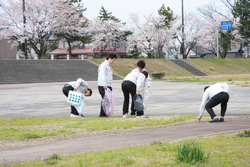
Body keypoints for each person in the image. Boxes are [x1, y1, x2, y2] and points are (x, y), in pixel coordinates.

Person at [98, 52, 117, 117]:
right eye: (113, 60)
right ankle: (102, 114)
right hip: (103, 85)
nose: (113, 61)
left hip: (108, 85)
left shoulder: (108, 65)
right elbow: (102, 75)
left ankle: (105, 113)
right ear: (109, 58)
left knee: (108, 99)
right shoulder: (104, 65)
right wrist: (104, 84)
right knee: (105, 100)